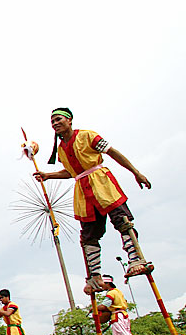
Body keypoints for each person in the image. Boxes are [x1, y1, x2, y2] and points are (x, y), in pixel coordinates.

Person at [35, 107, 152, 293]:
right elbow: (72, 172)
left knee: (122, 220)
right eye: (52, 122)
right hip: (82, 189)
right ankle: (94, 275)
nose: (55, 123)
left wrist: (136, 172)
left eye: (58, 119)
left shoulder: (88, 136)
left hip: (102, 184)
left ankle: (135, 258)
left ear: (70, 120)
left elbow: (112, 153)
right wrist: (48, 175)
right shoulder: (61, 149)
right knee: (88, 235)